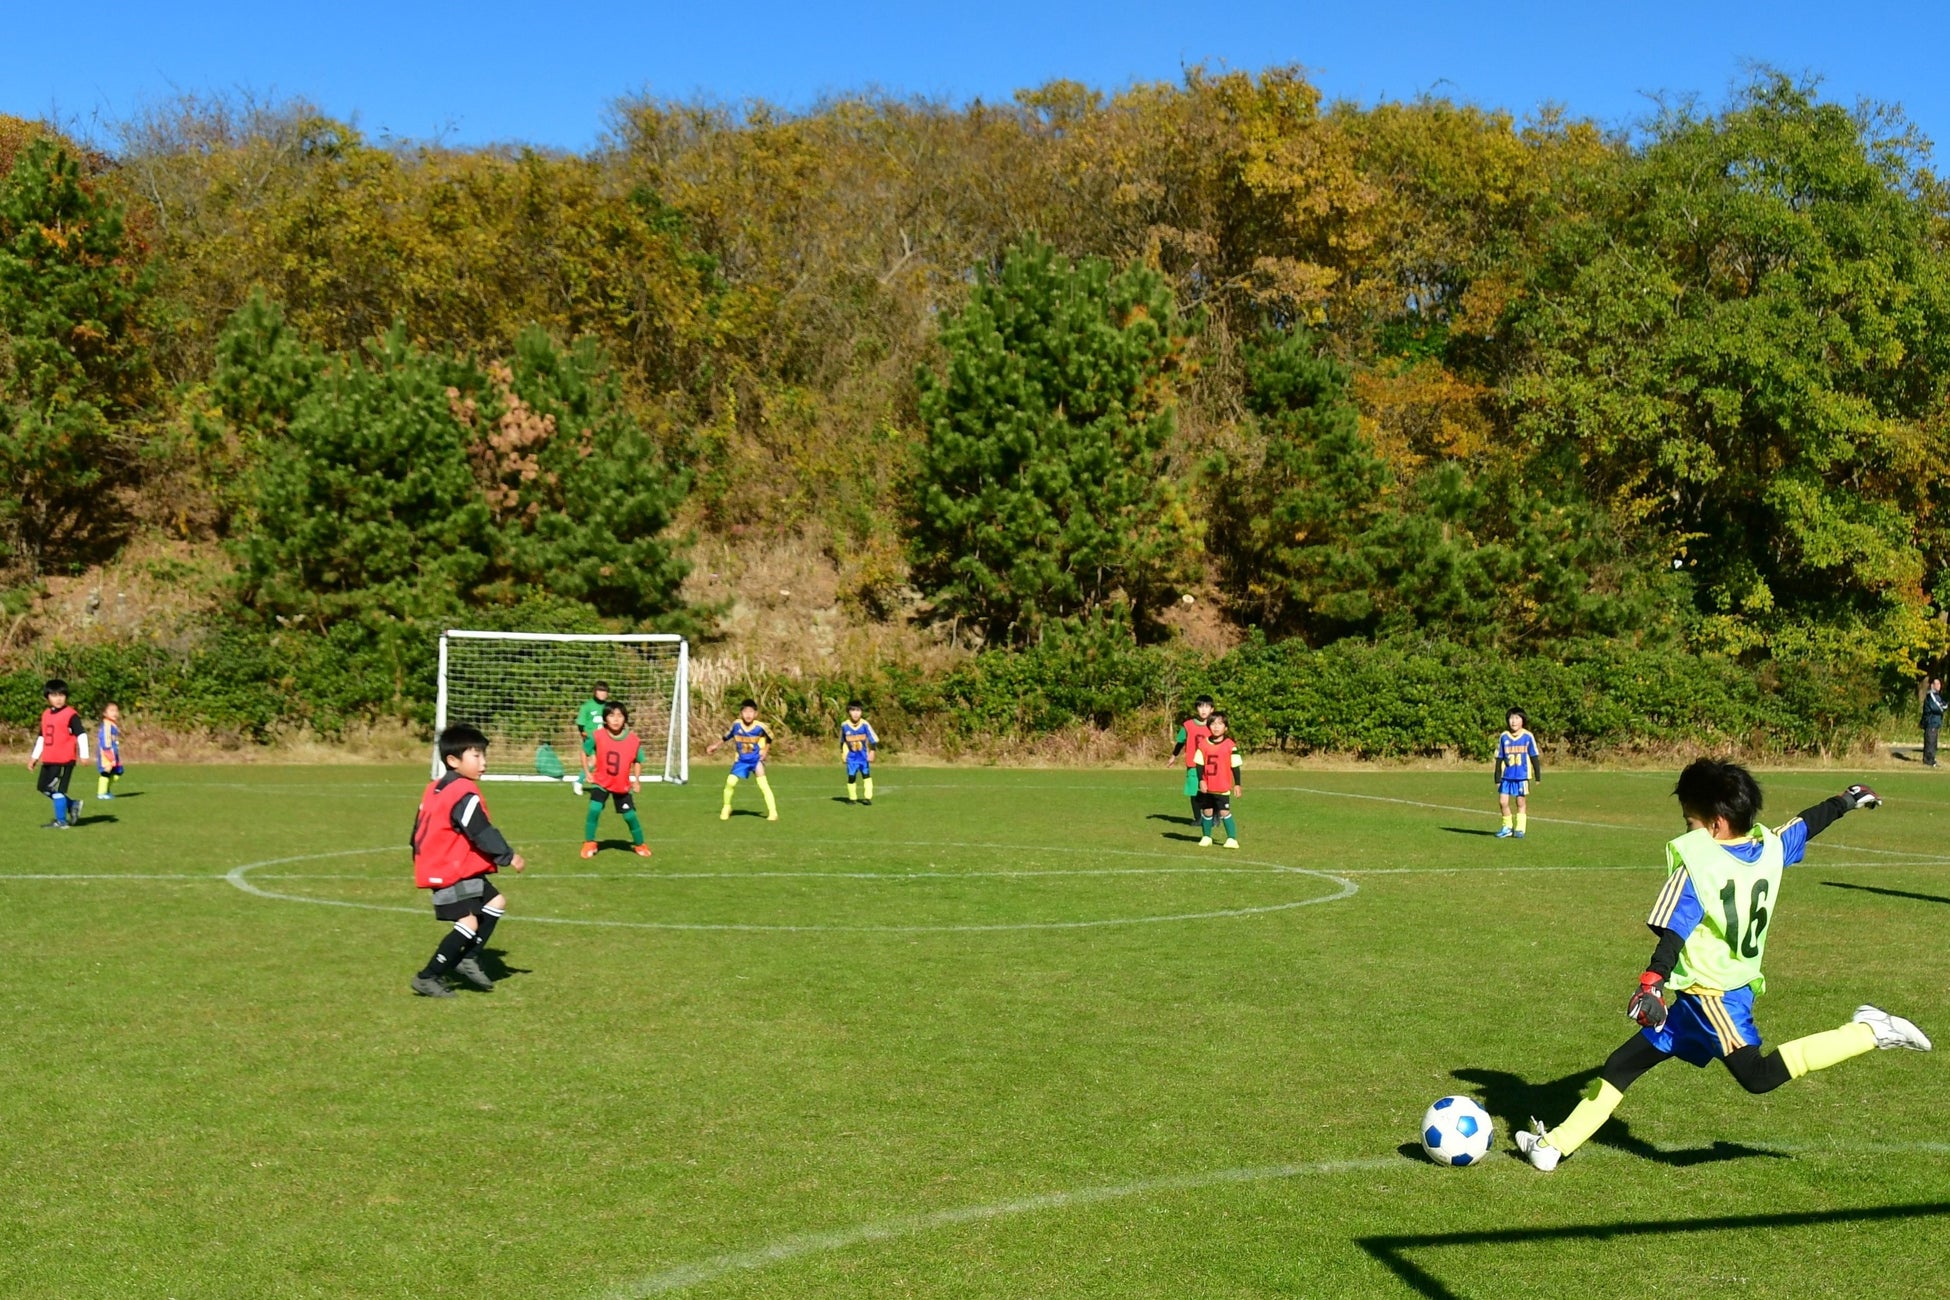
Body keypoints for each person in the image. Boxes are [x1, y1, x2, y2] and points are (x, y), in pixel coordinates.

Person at [1514, 760, 1930, 1172]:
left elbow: (1674, 931)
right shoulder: (1769, 847)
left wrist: (1651, 982)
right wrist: (1846, 800)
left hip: (1713, 997)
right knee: (1623, 1064)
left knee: (1757, 1076)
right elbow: (1807, 824)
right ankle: (1553, 1146)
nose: (1686, 830)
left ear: (1716, 825)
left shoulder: (1699, 866)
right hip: (1705, 995)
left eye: (1689, 822)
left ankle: (1869, 1031)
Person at [409, 723, 526, 997]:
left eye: (484, 755)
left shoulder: (435, 788)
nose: (483, 762)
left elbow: (416, 832)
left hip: (451, 865)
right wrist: (508, 856)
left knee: (496, 902)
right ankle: (428, 976)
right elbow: (480, 830)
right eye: (476, 756)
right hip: (449, 869)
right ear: (453, 760)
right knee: (469, 923)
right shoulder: (463, 791)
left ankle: (468, 957)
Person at [582, 701, 652, 858]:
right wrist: (587, 772)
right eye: (611, 715)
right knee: (594, 809)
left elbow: (638, 760)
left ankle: (640, 844)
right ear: (605, 718)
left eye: (620, 716)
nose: (615, 719)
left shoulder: (633, 740)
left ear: (625, 718)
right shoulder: (597, 735)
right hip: (601, 782)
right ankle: (589, 843)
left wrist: (637, 780)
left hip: (621, 785)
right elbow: (584, 751)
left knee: (630, 816)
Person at [27, 678, 87, 829]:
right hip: (49, 759)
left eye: (61, 695)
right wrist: (34, 757)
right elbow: (42, 737)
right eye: (54, 695)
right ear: (47, 697)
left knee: (58, 790)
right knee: (43, 787)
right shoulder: (46, 714)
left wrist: (84, 754)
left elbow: (81, 734)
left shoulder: (70, 714)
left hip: (64, 759)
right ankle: (72, 804)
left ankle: (61, 821)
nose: (58, 698)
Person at [705, 699, 777, 821]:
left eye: (751, 712)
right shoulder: (736, 725)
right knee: (730, 782)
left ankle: (773, 812)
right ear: (741, 713)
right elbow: (726, 736)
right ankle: (727, 807)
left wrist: (765, 751)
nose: (748, 714)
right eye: (745, 711)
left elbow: (770, 737)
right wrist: (715, 746)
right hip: (741, 760)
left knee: (763, 785)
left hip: (755, 760)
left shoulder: (760, 727)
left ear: (756, 714)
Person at [1193, 711, 1243, 849]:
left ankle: (1232, 839)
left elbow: (1235, 765)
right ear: (1208, 726)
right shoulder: (1203, 744)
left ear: (1225, 728)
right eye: (1213, 724)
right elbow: (1199, 764)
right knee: (1207, 811)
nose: (1216, 727)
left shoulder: (1230, 745)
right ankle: (1206, 836)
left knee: (1223, 812)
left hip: (1222, 786)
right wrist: (1201, 780)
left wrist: (1237, 784)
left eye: (1220, 724)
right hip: (1207, 786)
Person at [1493, 709, 1540, 839]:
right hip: (1506, 776)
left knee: (1520, 802)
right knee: (1503, 802)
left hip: (1521, 776)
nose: (1513, 721)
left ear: (1523, 720)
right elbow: (1499, 757)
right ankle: (1507, 827)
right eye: (1511, 718)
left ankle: (1520, 828)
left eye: (1517, 718)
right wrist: (1497, 777)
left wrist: (1537, 775)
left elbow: (1534, 756)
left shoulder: (1527, 736)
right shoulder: (1504, 736)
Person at [1172, 696, 1216, 824]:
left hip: (1210, 765)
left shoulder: (1215, 725)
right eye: (1200, 706)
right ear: (1196, 709)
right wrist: (1174, 755)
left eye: (1207, 707)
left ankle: (1214, 817)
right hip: (1193, 764)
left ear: (1212, 709)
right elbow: (1180, 742)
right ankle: (1198, 818)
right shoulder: (1188, 725)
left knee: (1211, 791)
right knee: (1194, 791)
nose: (1203, 710)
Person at [573, 681, 612, 795]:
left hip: (605, 739)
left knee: (606, 761)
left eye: (604, 691)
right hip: (591, 738)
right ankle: (579, 782)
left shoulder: (608, 707)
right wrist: (584, 735)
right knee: (593, 761)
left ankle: (604, 783)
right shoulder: (587, 706)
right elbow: (580, 723)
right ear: (595, 692)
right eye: (600, 691)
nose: (602, 693)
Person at [841, 702, 879, 805]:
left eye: (858, 710)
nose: (855, 713)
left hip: (863, 757)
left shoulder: (865, 725)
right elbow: (842, 741)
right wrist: (843, 753)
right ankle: (852, 798)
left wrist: (872, 751)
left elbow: (874, 739)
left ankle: (867, 798)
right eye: (853, 710)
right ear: (848, 712)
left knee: (866, 775)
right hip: (851, 758)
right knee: (851, 777)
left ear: (861, 712)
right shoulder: (845, 725)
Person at [96, 702, 125, 799]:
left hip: (113, 752)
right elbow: (105, 739)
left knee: (118, 771)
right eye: (112, 710)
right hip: (106, 753)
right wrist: (108, 752)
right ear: (105, 713)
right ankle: (101, 793)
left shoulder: (113, 724)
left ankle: (106, 789)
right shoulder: (107, 725)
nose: (115, 713)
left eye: (116, 710)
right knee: (106, 771)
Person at [1923, 678, 1944, 768]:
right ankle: (1929, 761)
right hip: (1931, 722)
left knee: (1933, 742)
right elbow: (1937, 708)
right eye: (1937, 684)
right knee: (1930, 742)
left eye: (1939, 684)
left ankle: (1931, 759)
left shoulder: (1937, 696)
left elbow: (1943, 704)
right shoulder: (1931, 696)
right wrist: (1943, 707)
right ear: (1932, 685)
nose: (1939, 686)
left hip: (1935, 723)